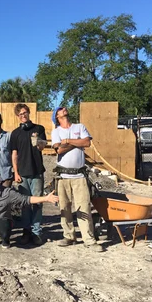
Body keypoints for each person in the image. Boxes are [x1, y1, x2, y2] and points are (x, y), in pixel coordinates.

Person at [51, 106, 103, 251]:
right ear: (57, 116)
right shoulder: (56, 132)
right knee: (64, 207)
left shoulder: (80, 127)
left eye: (64, 108)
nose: (64, 109)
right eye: (60, 109)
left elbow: (87, 143)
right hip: (63, 176)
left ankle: (89, 240)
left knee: (84, 207)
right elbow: (59, 149)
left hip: (80, 176)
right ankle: (69, 236)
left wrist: (67, 141)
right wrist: (76, 142)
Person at [10, 103, 47, 246]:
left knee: (37, 203)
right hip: (22, 174)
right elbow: (14, 154)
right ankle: (26, 231)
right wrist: (16, 173)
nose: (23, 115)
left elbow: (42, 147)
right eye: (20, 114)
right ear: (17, 116)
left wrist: (37, 140)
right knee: (24, 204)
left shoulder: (39, 128)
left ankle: (37, 232)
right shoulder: (15, 133)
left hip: (36, 172)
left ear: (29, 113)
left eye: (25, 113)